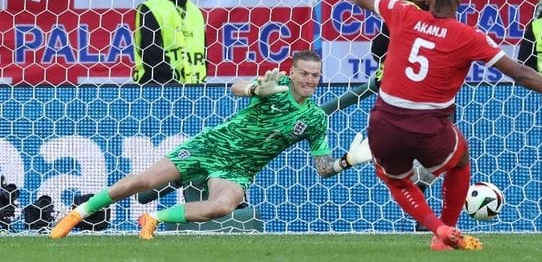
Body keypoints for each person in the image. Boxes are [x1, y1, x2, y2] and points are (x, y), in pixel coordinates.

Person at [352, 0, 542, 250]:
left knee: (397, 182)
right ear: (460, 0)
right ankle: (445, 231)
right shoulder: (468, 37)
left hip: (385, 121)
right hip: (428, 126)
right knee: (460, 157)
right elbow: (522, 73)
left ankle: (437, 228)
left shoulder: (403, 13)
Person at [50, 50, 373, 239]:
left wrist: (348, 161)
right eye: (305, 73)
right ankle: (80, 213)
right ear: (292, 72)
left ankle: (153, 220)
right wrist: (254, 91)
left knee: (222, 207)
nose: (310, 81)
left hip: (238, 169)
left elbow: (322, 169)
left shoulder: (316, 119)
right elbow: (236, 86)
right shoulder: (279, 85)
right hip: (211, 145)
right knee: (142, 181)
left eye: (316, 76)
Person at [321, 0, 436, 231]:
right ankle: (426, 218)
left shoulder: (424, 14)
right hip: (390, 91)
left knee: (424, 161)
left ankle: (428, 217)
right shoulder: (396, 8)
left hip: (418, 96)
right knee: (397, 163)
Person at [132, 0, 207, 85]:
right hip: (195, 88)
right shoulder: (195, 10)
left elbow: (152, 52)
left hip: (159, 90)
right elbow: (204, 54)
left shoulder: (151, 7)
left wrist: (171, 86)